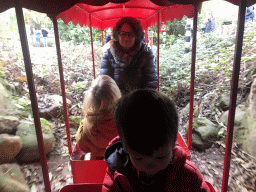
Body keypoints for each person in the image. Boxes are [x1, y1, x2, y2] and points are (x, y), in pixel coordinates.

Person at [102, 89, 211, 191]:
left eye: (160, 157)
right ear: (126, 148)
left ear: (172, 143)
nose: (150, 164)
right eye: (138, 158)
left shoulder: (187, 175)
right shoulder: (118, 169)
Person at [100, 17, 158, 95]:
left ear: (136, 36)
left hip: (140, 100)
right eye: (123, 34)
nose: (126, 38)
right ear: (117, 35)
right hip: (116, 101)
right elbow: (105, 82)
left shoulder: (146, 53)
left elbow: (151, 83)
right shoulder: (109, 54)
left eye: (130, 34)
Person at [75, 75, 121, 160]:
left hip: (97, 163)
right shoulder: (124, 119)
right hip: (119, 162)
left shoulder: (88, 122)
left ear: (91, 98)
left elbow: (82, 146)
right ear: (116, 94)